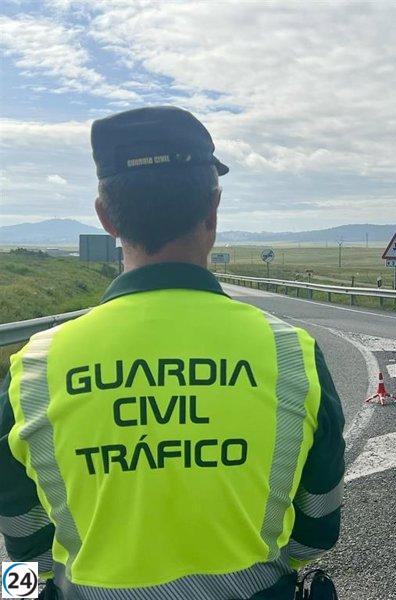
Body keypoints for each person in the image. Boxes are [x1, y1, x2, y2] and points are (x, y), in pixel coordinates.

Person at [0, 106, 345, 599]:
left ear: (105, 218)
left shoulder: (32, 369)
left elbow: (22, 541)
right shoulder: (292, 353)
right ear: (212, 209)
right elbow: (318, 529)